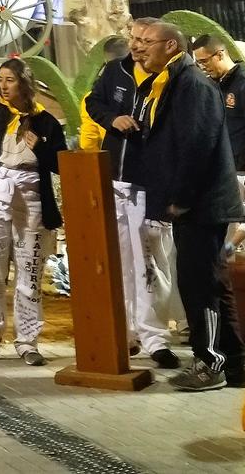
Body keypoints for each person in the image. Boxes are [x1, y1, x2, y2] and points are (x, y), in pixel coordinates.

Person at [133, 20, 245, 391]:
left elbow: (196, 146)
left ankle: (209, 363)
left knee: (200, 286)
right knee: (211, 283)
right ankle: (234, 365)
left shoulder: (191, 84)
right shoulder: (168, 83)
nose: (140, 48)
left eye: (148, 42)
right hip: (195, 203)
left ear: (170, 46)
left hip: (201, 204)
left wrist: (180, 199)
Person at [80, 24, 179, 369]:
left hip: (151, 185)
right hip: (116, 181)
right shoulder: (114, 71)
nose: (137, 47)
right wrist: (112, 119)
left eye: (143, 41)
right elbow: (93, 103)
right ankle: (127, 334)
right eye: (134, 41)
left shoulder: (169, 78)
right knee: (121, 262)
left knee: (151, 264)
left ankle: (155, 337)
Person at [0, 57, 66, 367]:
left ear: (24, 83)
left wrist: (41, 148)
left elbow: (60, 163)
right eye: (1, 79)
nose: (4, 86)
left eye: (10, 80)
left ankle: (28, 341)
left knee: (30, 272)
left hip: (32, 197)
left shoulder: (45, 120)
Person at [191, 35, 245, 171]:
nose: (202, 67)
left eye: (205, 61)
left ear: (220, 55)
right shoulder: (217, 87)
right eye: (199, 63)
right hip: (226, 170)